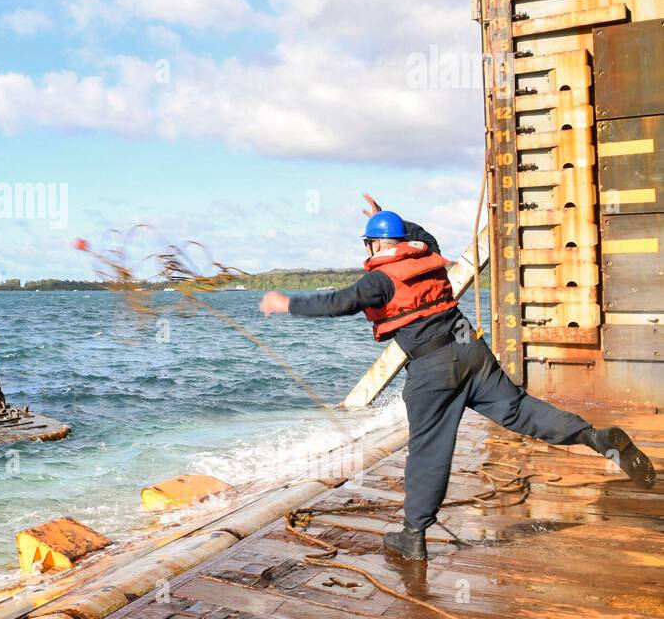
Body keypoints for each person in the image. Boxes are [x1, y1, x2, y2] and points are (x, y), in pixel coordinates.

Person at [259, 194, 656, 561]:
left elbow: (337, 302)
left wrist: (286, 302)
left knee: (429, 450)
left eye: (369, 243)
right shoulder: (427, 254)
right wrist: (391, 221)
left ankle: (412, 536)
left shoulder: (379, 280)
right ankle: (595, 438)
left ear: (375, 245)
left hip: (435, 369)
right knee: (518, 410)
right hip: (472, 350)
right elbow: (420, 236)